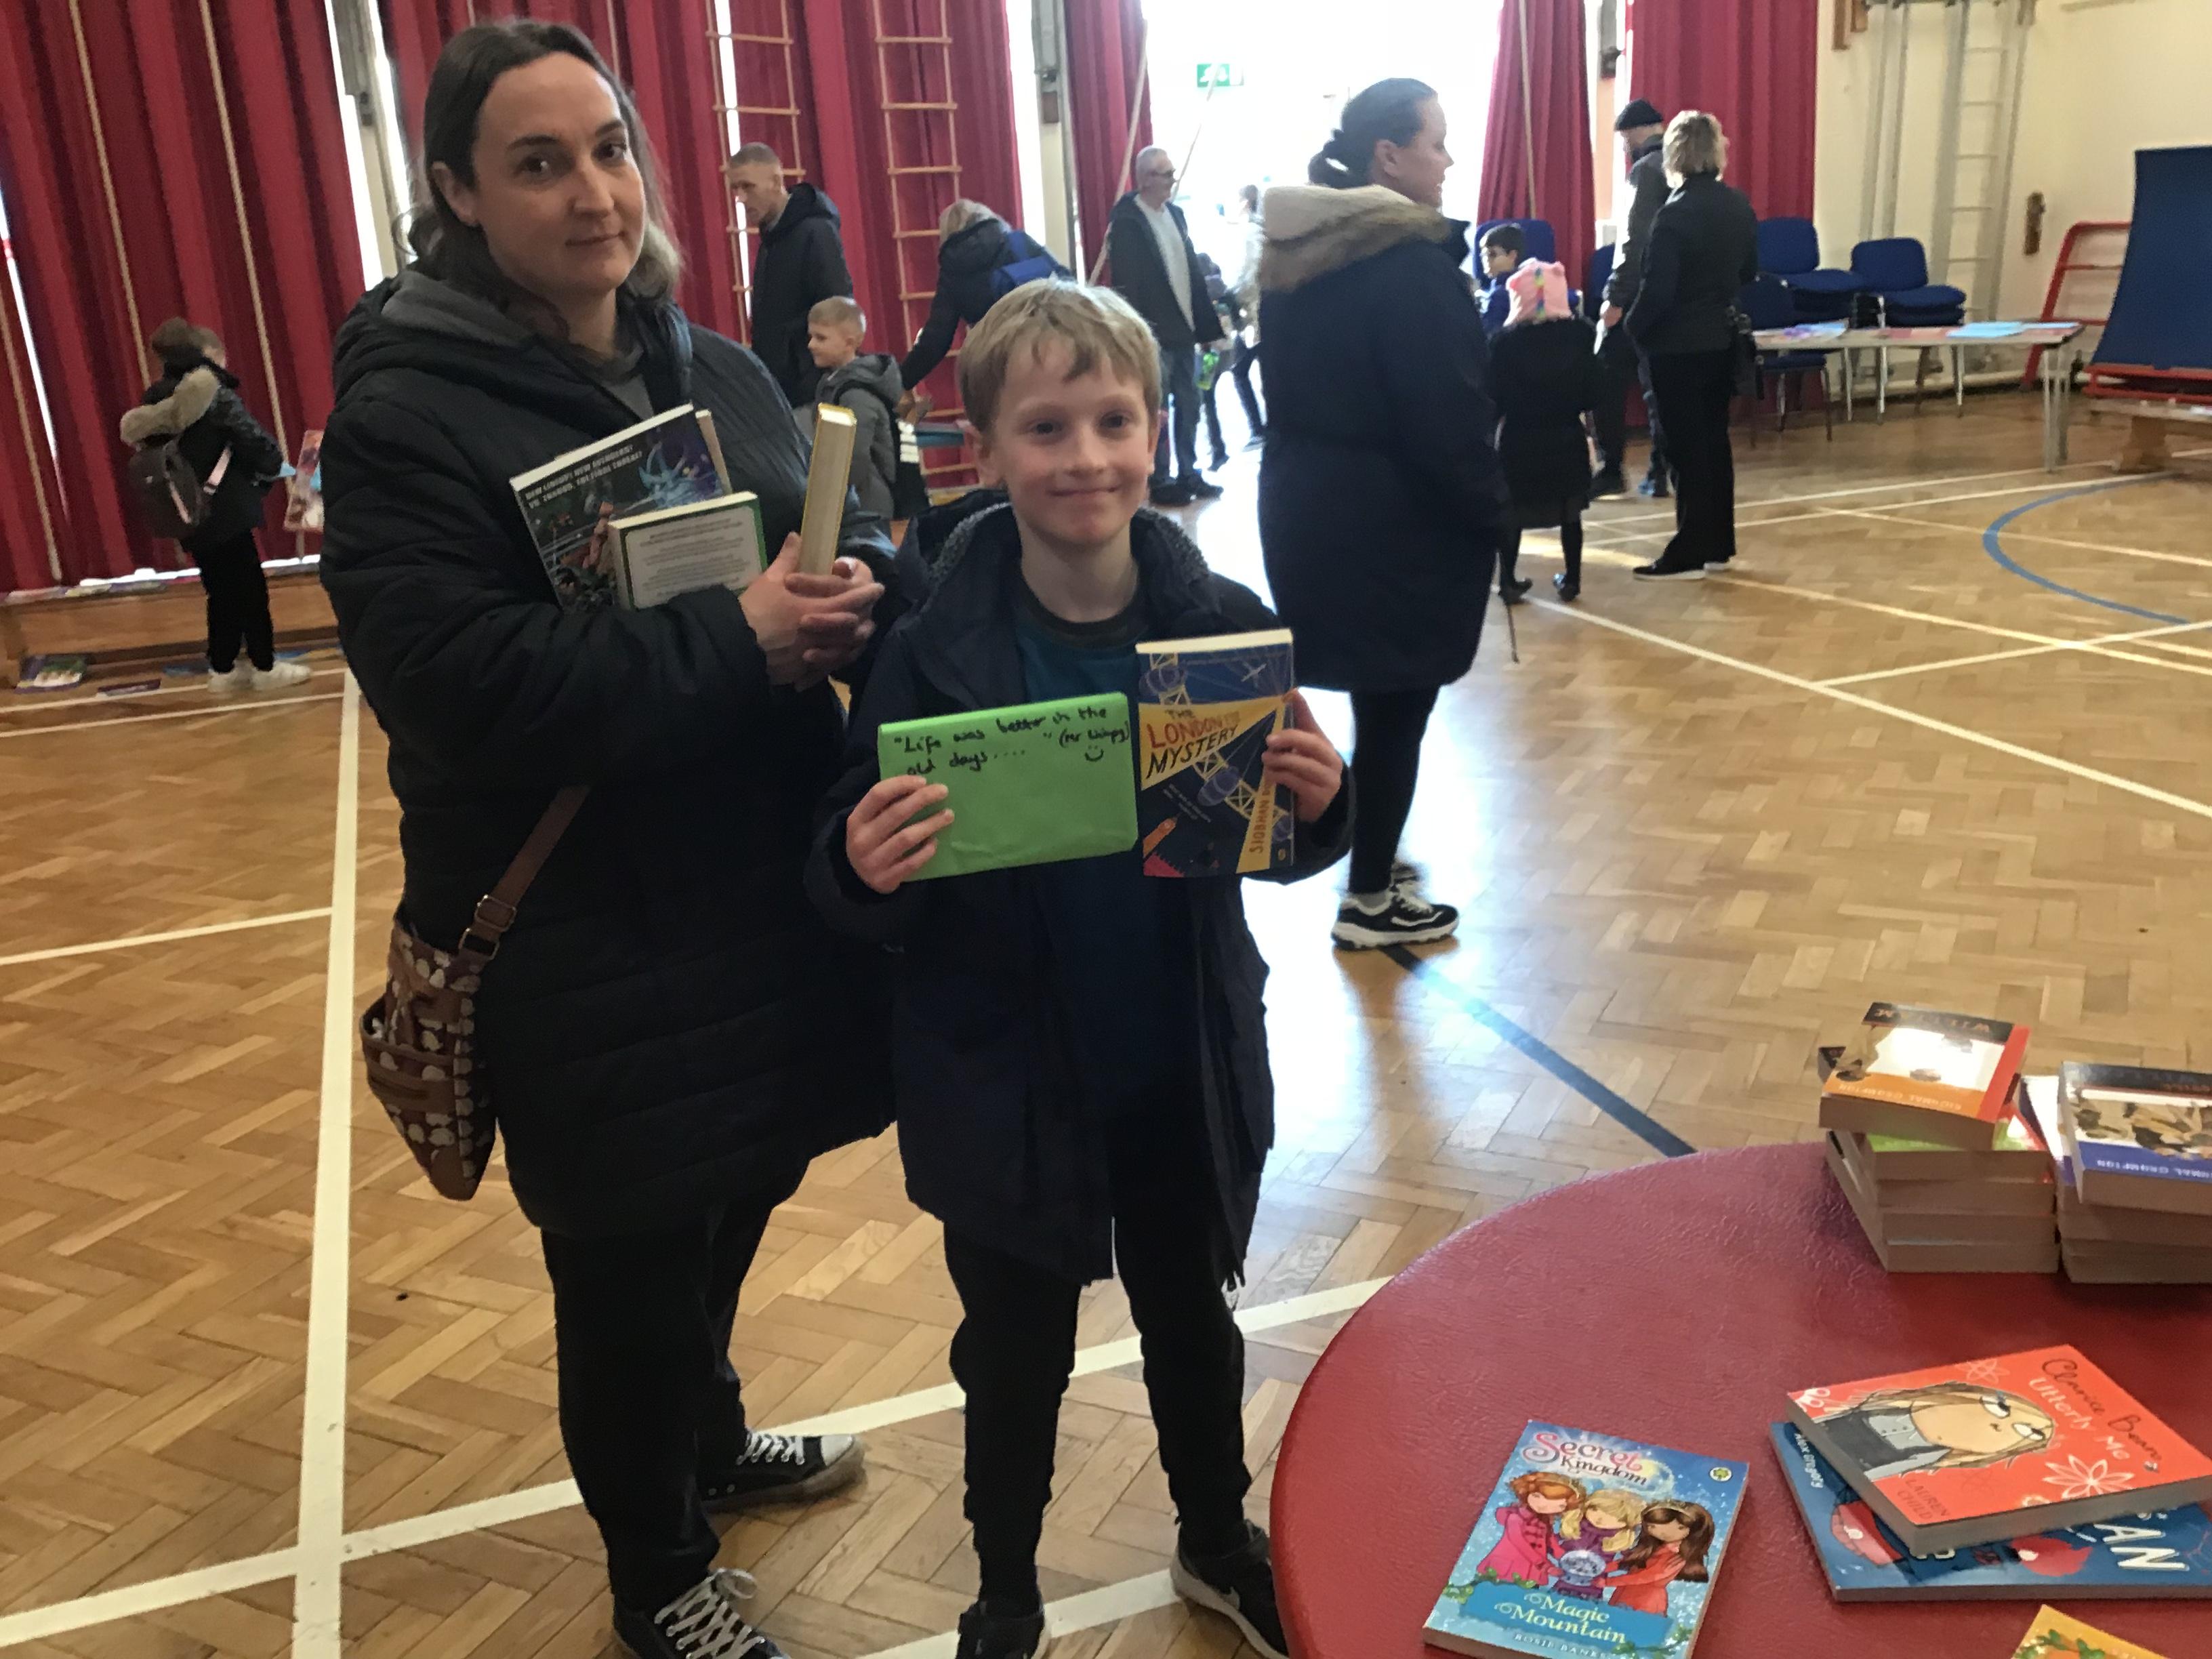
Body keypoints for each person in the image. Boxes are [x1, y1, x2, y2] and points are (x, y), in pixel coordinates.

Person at [319, 24, 895, 1659]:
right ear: (455, 191)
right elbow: (459, 686)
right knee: (629, 1261)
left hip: (756, 888)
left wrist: (862, 586)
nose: (594, 193)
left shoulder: (712, 363)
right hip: (583, 922)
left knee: (740, 1184)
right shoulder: (405, 418)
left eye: (610, 148)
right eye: (539, 163)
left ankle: (705, 1437)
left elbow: (824, 536)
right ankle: (658, 1573)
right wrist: (741, 638)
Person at [808, 281, 1351, 1659]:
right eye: (1045, 427)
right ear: (985, 447)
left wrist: (1320, 802)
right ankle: (1005, 1589)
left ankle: (1214, 1538)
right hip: (1000, 1072)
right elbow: (847, 851)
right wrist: (858, 863)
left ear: (1155, 428)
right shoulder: (930, 651)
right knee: (1011, 1353)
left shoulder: (1214, 619)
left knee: (1190, 1320)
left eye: (1114, 421)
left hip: (1175, 1054)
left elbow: (1268, 845)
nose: (1086, 457)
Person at [1258, 77, 1502, 949]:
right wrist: (1495, 510)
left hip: (1310, 507)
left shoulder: (1300, 258)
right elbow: (1448, 417)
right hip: (1390, 520)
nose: (1449, 159)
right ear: (1389, 157)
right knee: (1398, 708)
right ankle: (1367, 901)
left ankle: (1371, 848)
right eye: (1437, 142)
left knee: (1381, 700)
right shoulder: (1406, 266)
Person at [120, 321, 307, 692]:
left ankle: (223, 669)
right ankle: (264, 666)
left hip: (186, 508)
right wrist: (273, 466)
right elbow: (253, 441)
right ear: (204, 354)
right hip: (226, 506)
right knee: (249, 587)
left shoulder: (152, 402)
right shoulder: (212, 393)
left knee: (219, 590)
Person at [1624, 110, 1759, 581]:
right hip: (1720, 340)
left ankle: (1689, 551)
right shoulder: (1738, 206)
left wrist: (1631, 329)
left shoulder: (1673, 215)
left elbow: (1657, 291)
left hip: (1676, 348)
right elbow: (1748, 272)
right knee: (1714, 443)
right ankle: (1718, 542)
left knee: (1684, 449)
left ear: (1674, 156)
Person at [1107, 146, 1226, 506]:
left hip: (1185, 330)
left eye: (1172, 173)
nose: (1172, 180)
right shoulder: (1127, 223)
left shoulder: (1175, 215)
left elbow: (1191, 275)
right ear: (1145, 179)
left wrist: (1207, 330)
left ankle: (1189, 471)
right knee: (1156, 409)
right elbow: (1128, 284)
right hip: (1153, 334)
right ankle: (1160, 478)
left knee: (1190, 403)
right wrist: (1136, 336)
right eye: (1166, 174)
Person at [1490, 261, 1600, 603]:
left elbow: (1493, 398)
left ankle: (1508, 581)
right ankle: (1572, 580)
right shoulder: (1581, 337)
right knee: (1571, 513)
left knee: (1512, 513)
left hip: (1518, 439)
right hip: (1566, 436)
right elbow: (1593, 394)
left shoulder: (1503, 344)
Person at [726, 140, 853, 405]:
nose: (741, 198)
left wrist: (821, 389)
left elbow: (838, 312)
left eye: (748, 187)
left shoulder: (816, 233)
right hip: (781, 391)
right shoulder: (771, 238)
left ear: (775, 181)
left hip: (812, 395)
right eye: (736, 189)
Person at [899, 198, 1067, 393]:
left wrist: (898, 383)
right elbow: (1066, 283)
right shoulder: (1019, 241)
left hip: (1001, 366)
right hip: (1054, 349)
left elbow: (935, 341)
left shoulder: (953, 271)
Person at [1595, 98, 1673, 499]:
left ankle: (1611, 469)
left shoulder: (1645, 171)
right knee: (1660, 390)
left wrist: (1615, 297)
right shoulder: (1686, 168)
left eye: (1625, 140)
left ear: (1636, 133)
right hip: (1675, 299)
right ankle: (1659, 473)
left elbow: (1634, 241)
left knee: (1605, 377)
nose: (1626, 148)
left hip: (1639, 297)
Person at [806, 295, 901, 520]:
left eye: (821, 338)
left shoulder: (856, 396)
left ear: (849, 343)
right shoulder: (834, 382)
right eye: (811, 337)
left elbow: (854, 459)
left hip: (867, 503)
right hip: (854, 498)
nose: (811, 345)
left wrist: (835, 500)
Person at [1227, 184, 1267, 444]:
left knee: (1240, 370)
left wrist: (1234, 296)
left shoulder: (1248, 234)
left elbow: (1246, 274)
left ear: (1244, 203)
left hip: (1250, 311)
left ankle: (1257, 427)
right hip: (1262, 308)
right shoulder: (1263, 231)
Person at [1476, 223, 1525, 337]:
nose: (1486, 260)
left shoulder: (1500, 294)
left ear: (1512, 256)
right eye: (1484, 255)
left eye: (1492, 254)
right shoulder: (1490, 289)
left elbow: (1489, 335)